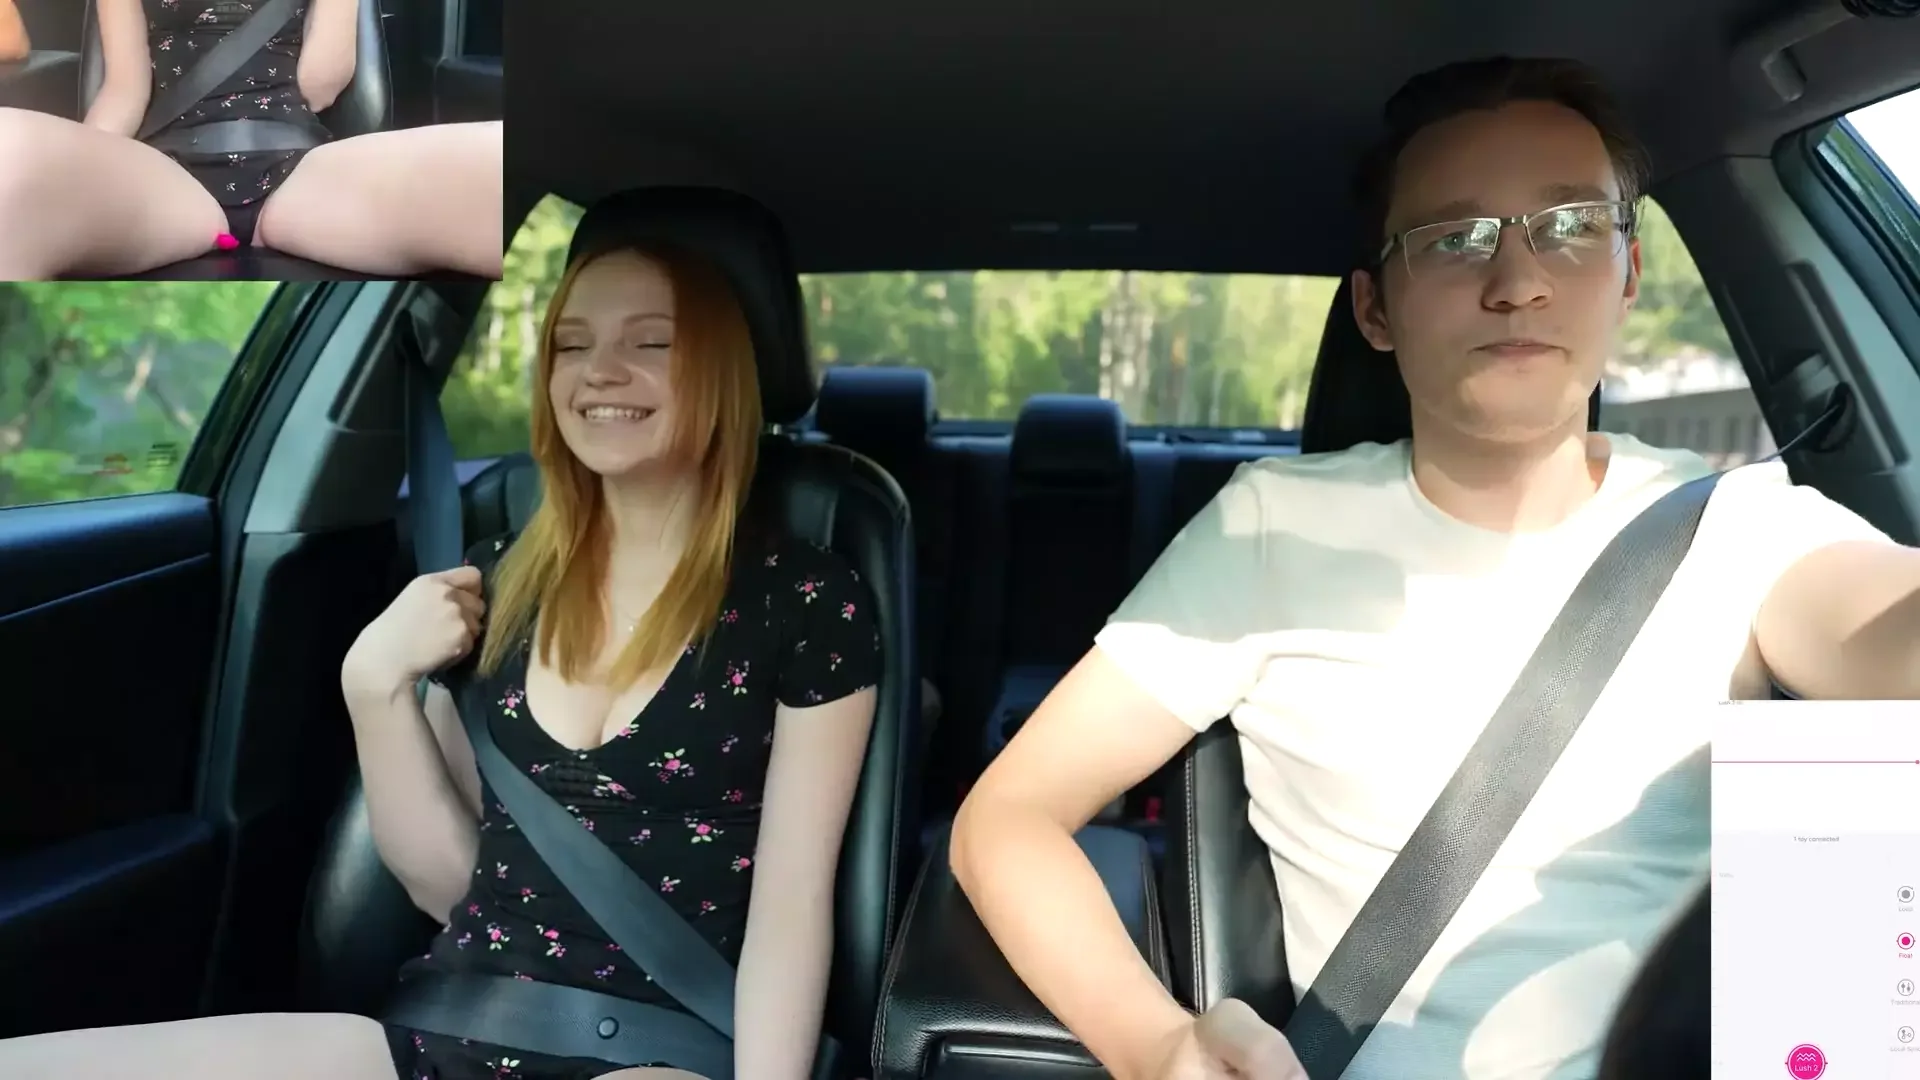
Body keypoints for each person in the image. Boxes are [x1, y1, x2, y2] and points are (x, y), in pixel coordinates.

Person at [949, 55, 1920, 1080]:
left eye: (1570, 226)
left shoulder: (1746, 529)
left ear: (1628, 273)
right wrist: (1156, 1046)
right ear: (1375, 311)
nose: (1519, 282)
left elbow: (1889, 632)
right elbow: (1007, 817)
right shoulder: (1274, 528)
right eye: (1455, 240)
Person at [0, 242, 882, 1078]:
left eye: (649, 343)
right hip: (452, 1023)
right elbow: (448, 881)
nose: (599, 371)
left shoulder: (809, 601)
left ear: (720, 371)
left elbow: (791, 909)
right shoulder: (498, 577)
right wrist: (373, 686)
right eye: (571, 344)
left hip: (659, 1048)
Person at [0, 0, 502, 279]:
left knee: (495, 160)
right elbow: (125, 90)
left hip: (297, 171)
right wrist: (83, 172)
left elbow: (322, 82)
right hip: (166, 177)